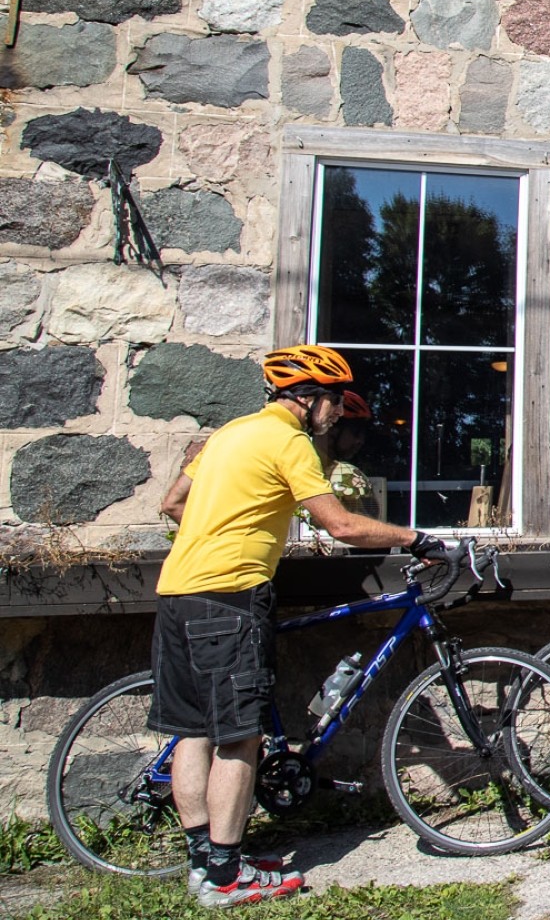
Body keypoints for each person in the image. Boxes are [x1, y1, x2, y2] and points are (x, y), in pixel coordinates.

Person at [153, 345, 449, 907]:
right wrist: (417, 538)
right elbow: (338, 524)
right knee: (239, 737)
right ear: (308, 399)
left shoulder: (231, 433)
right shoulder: (288, 442)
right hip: (229, 596)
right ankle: (225, 877)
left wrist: (227, 528)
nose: (338, 413)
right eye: (334, 402)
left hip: (178, 590)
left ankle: (206, 859)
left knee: (194, 731)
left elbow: (173, 502)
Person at [291, 390, 380, 530]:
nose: (360, 441)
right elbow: (366, 531)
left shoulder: (296, 462)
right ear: (333, 429)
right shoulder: (347, 475)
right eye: (356, 432)